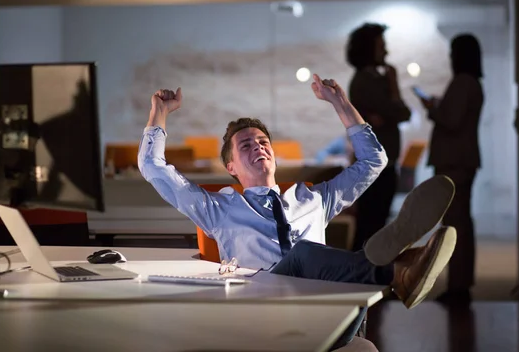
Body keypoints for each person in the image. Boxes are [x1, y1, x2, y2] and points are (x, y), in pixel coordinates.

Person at [138, 74, 456, 348]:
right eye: (246, 145)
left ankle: (394, 268)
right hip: (264, 316)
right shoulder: (218, 209)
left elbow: (374, 161)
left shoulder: (313, 199)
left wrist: (340, 103)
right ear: (231, 166)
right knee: (305, 254)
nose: (258, 146)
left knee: (337, 273)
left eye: (263, 142)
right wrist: (159, 112)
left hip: (328, 316)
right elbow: (152, 166)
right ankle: (396, 270)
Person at [417, 34, 484, 306]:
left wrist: (433, 109)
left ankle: (458, 287)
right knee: (461, 223)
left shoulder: (462, 83)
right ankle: (461, 283)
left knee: (455, 226)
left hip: (454, 162)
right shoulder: (474, 83)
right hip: (464, 160)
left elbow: (451, 121)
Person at [347, 23, 412, 252]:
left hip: (385, 163)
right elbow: (400, 111)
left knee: (376, 223)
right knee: (370, 226)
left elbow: (401, 114)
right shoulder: (365, 81)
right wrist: (393, 87)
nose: (386, 52)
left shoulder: (375, 79)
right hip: (375, 165)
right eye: (381, 46)